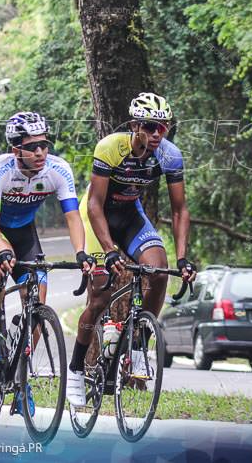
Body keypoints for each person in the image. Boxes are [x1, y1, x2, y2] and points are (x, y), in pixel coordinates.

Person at [66, 92, 196, 407]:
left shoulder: (169, 155)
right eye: (150, 127)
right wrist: (109, 251)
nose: (156, 134)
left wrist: (182, 258)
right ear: (135, 125)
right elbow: (95, 205)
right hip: (98, 217)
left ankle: (138, 346)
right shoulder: (111, 147)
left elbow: (179, 210)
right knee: (100, 295)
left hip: (130, 217)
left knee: (159, 271)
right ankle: (75, 370)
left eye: (162, 128)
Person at [0, 111, 95, 415]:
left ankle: (21, 382)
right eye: (32, 147)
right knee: (1, 259)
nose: (40, 153)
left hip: (25, 234)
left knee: (38, 304)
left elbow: (73, 216)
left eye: (44, 145)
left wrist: (81, 253)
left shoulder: (58, 170)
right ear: (16, 149)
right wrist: (1, 249)